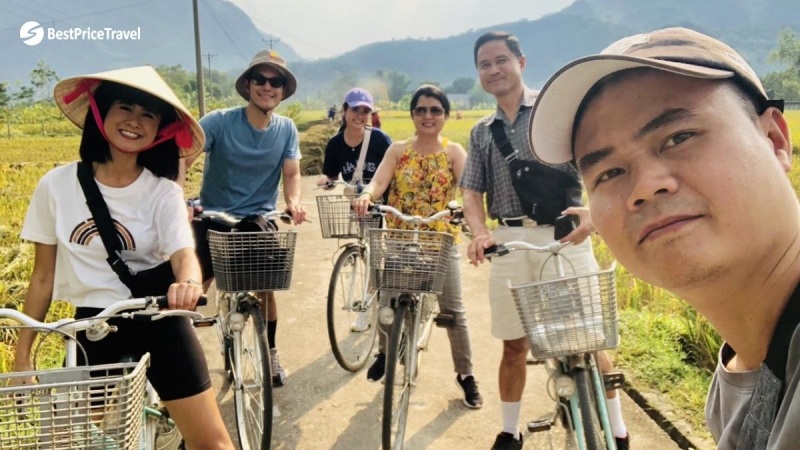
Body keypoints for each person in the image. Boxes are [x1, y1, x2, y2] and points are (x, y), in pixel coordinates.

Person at [528, 27, 797, 450]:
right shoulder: (739, 375)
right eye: (609, 173)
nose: (644, 187)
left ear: (774, 141)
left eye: (678, 138)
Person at [13, 66, 234, 450]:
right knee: (64, 443)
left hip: (157, 317)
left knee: (213, 444)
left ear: (160, 129)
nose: (135, 121)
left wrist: (188, 283)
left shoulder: (162, 191)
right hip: (92, 328)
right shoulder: (55, 186)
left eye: (148, 114)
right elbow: (43, 277)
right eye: (124, 107)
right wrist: (22, 356)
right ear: (101, 113)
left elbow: (183, 253)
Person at [460, 32, 629, 449]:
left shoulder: (554, 112)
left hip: (565, 235)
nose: (494, 69)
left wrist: (594, 212)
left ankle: (618, 430)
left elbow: (601, 164)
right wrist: (480, 231)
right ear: (479, 73)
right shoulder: (482, 132)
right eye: (484, 64)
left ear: (521, 62)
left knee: (587, 338)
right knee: (514, 345)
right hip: (510, 241)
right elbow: (471, 192)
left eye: (501, 59)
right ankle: (510, 430)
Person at [353, 84, 484, 409]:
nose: (428, 116)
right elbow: (380, 181)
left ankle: (466, 374)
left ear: (445, 116)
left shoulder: (454, 153)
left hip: (439, 242)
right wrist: (367, 195)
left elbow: (469, 191)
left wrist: (470, 218)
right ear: (412, 115)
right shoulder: (398, 150)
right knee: (387, 301)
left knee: (453, 311)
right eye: (421, 110)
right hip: (400, 238)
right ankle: (385, 354)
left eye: (435, 110)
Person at [184, 49, 308, 387]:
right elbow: (185, 157)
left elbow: (292, 173)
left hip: (258, 220)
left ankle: (270, 352)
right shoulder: (219, 121)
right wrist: (176, 199)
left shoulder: (286, 129)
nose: (268, 86)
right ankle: (178, 360)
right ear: (248, 85)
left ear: (283, 90)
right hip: (214, 218)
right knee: (191, 289)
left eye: (276, 81)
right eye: (260, 79)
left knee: (265, 289)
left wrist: (294, 202)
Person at [317, 88, 392, 196]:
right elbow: (332, 178)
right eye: (355, 109)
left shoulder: (380, 139)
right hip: (356, 203)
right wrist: (327, 182)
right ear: (344, 109)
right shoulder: (334, 145)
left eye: (365, 111)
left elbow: (395, 171)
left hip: (383, 203)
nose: (360, 116)